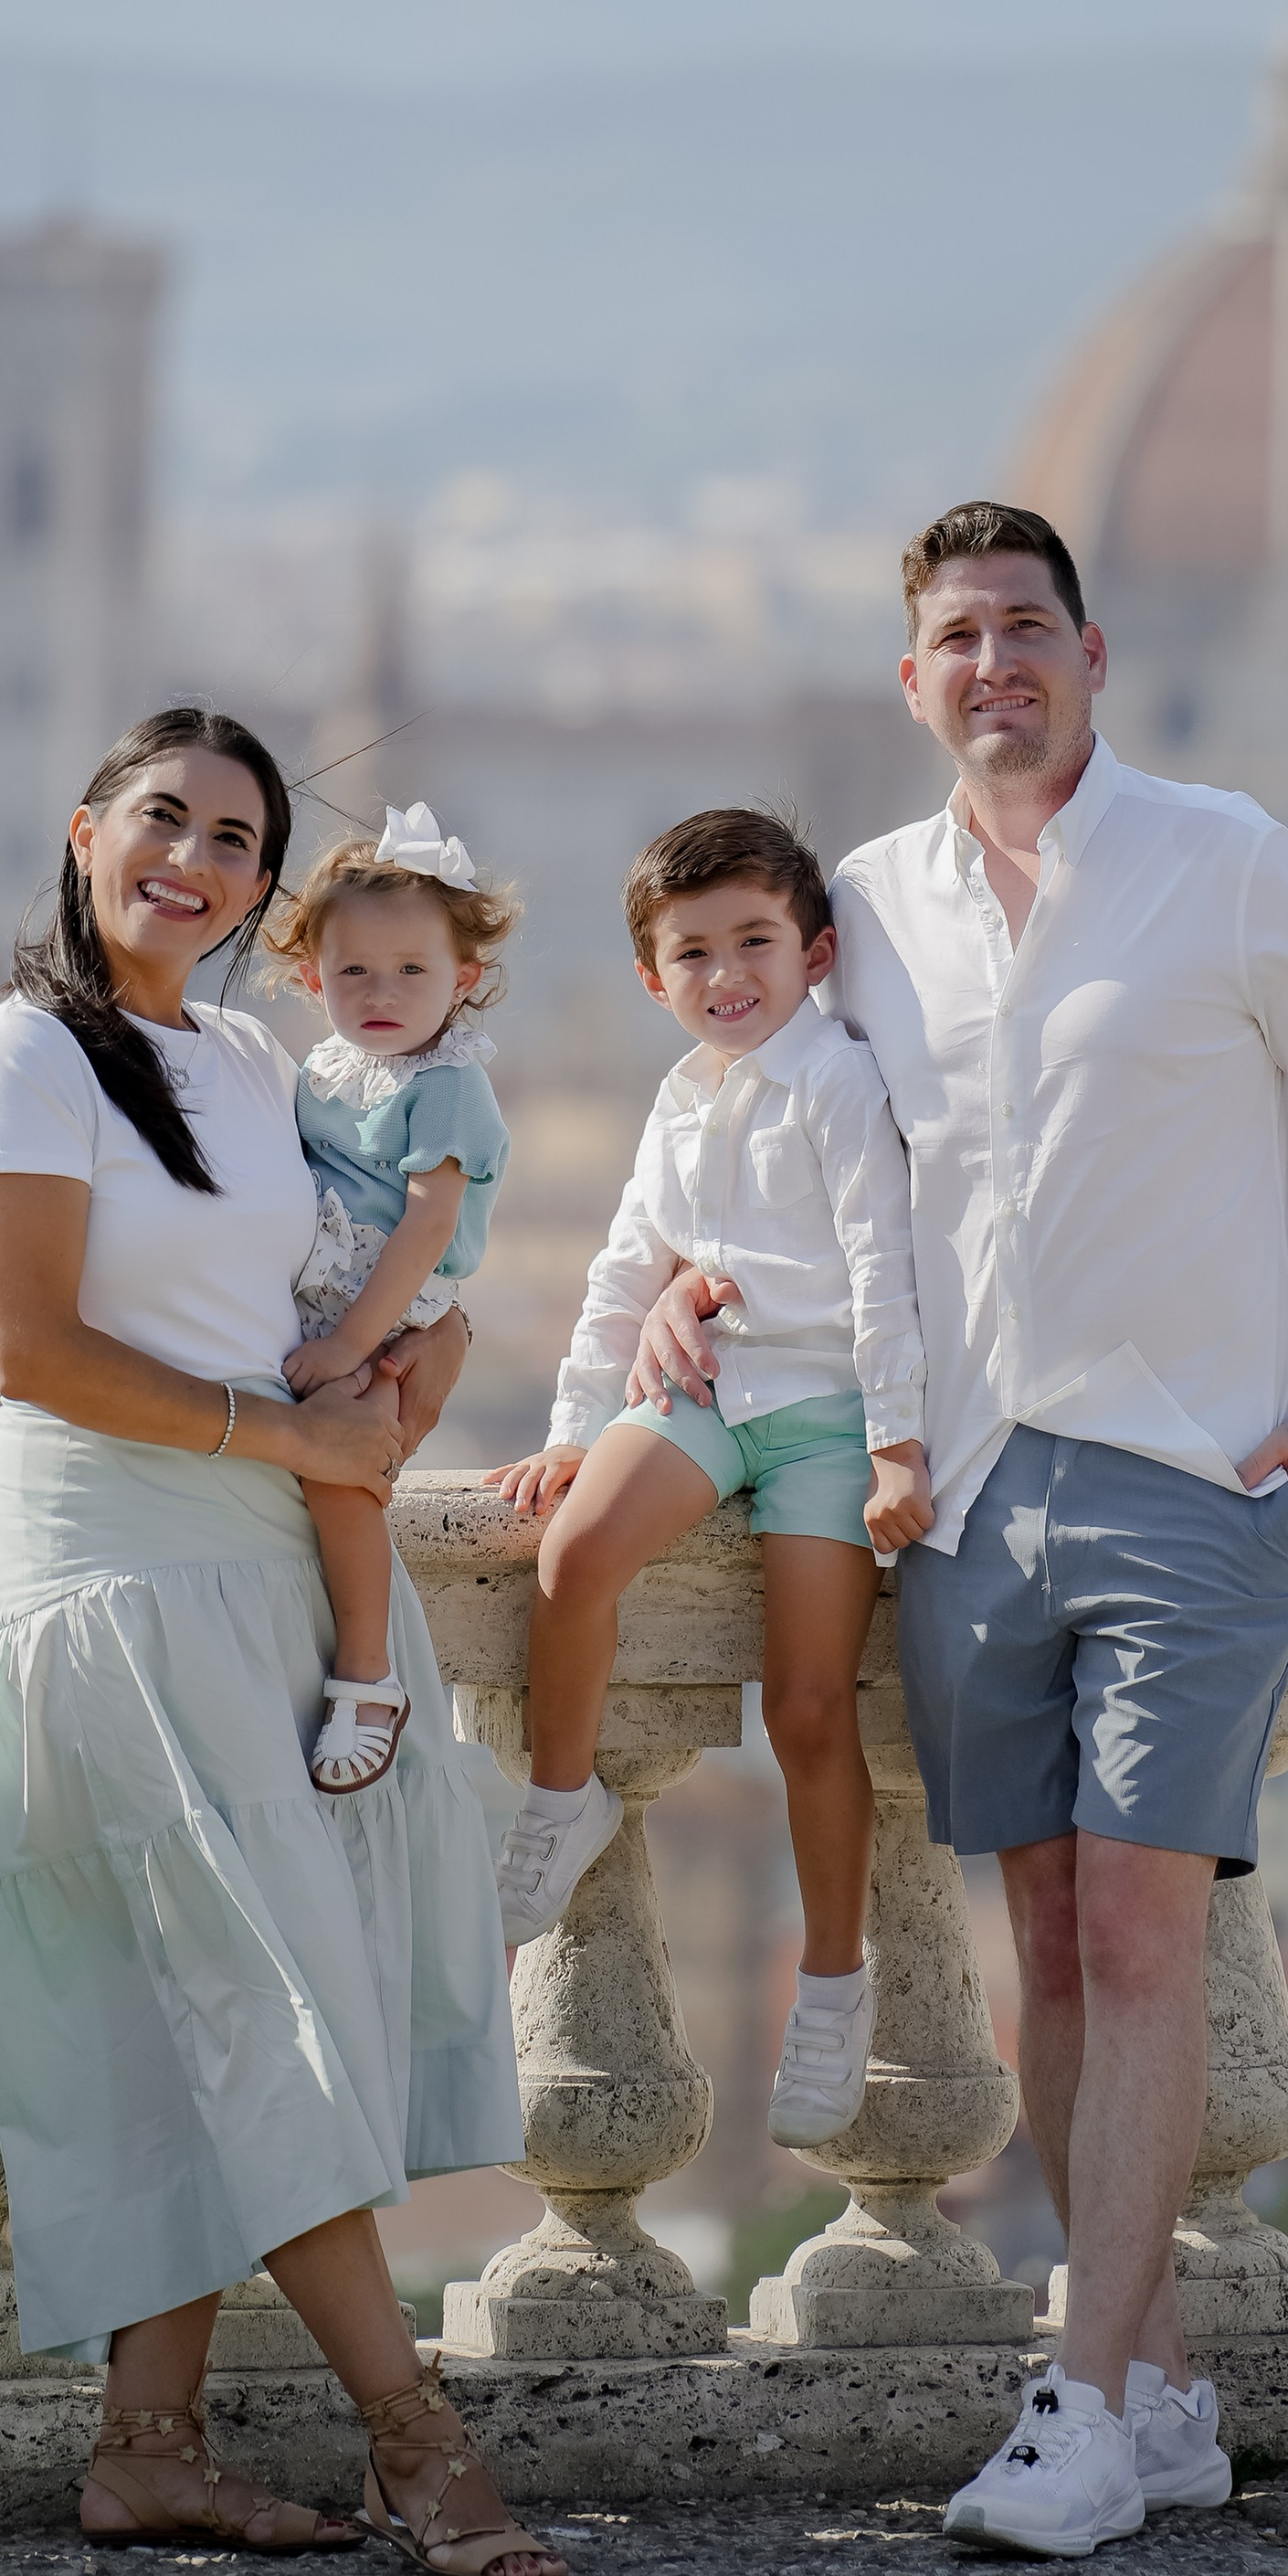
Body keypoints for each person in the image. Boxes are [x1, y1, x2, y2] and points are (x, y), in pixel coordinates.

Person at [637, 504, 1288, 2558]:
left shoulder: (1225, 857)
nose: (989, 663)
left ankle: (1075, 2400)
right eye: (951, 638)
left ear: (1091, 653)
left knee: (1148, 1929)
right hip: (968, 1496)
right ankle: (1153, 2383)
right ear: (909, 683)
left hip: (1187, 1479)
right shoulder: (864, 914)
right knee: (1056, 1956)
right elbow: (763, 1146)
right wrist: (665, 1303)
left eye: (1021, 629)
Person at [0, 706, 565, 2576]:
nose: (189, 860)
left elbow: (365, 1266)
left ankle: (148, 2448)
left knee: (210, 1993)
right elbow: (21, 1348)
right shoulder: (20, 1054)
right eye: (160, 819)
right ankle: (418, 2443)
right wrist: (288, 1437)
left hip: (272, 1555)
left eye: (231, 838)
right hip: (124, 1558)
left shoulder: (248, 1055)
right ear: (84, 831)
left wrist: (415, 1371)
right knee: (255, 1988)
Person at [491, 809, 932, 2148]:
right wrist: (575, 1423)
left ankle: (835, 1985)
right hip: (701, 1396)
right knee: (572, 1555)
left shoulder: (842, 1085)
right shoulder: (678, 1098)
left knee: (808, 1711)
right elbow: (629, 1266)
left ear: (815, 952)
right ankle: (559, 1800)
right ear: (651, 977)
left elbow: (882, 1273)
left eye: (754, 942)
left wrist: (900, 1442)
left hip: (824, 1419)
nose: (727, 973)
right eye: (693, 952)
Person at [262, 805, 517, 1794]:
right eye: (354, 972)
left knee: (338, 1476)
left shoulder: (446, 1086)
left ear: (465, 981)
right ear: (310, 978)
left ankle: (368, 1673)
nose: (381, 992)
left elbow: (423, 1227)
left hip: (388, 1314)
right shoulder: (329, 1067)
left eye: (413, 971)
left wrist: (350, 1346)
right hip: (328, 1305)